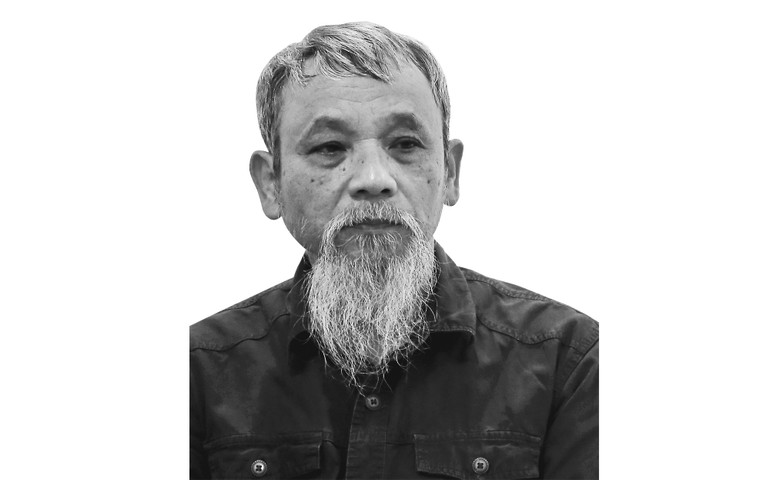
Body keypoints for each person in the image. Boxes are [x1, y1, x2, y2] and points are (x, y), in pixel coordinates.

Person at [190, 21, 599, 479]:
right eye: (329, 146)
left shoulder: (568, 361)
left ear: (450, 173)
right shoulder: (200, 372)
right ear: (271, 183)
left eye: (405, 144)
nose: (373, 179)